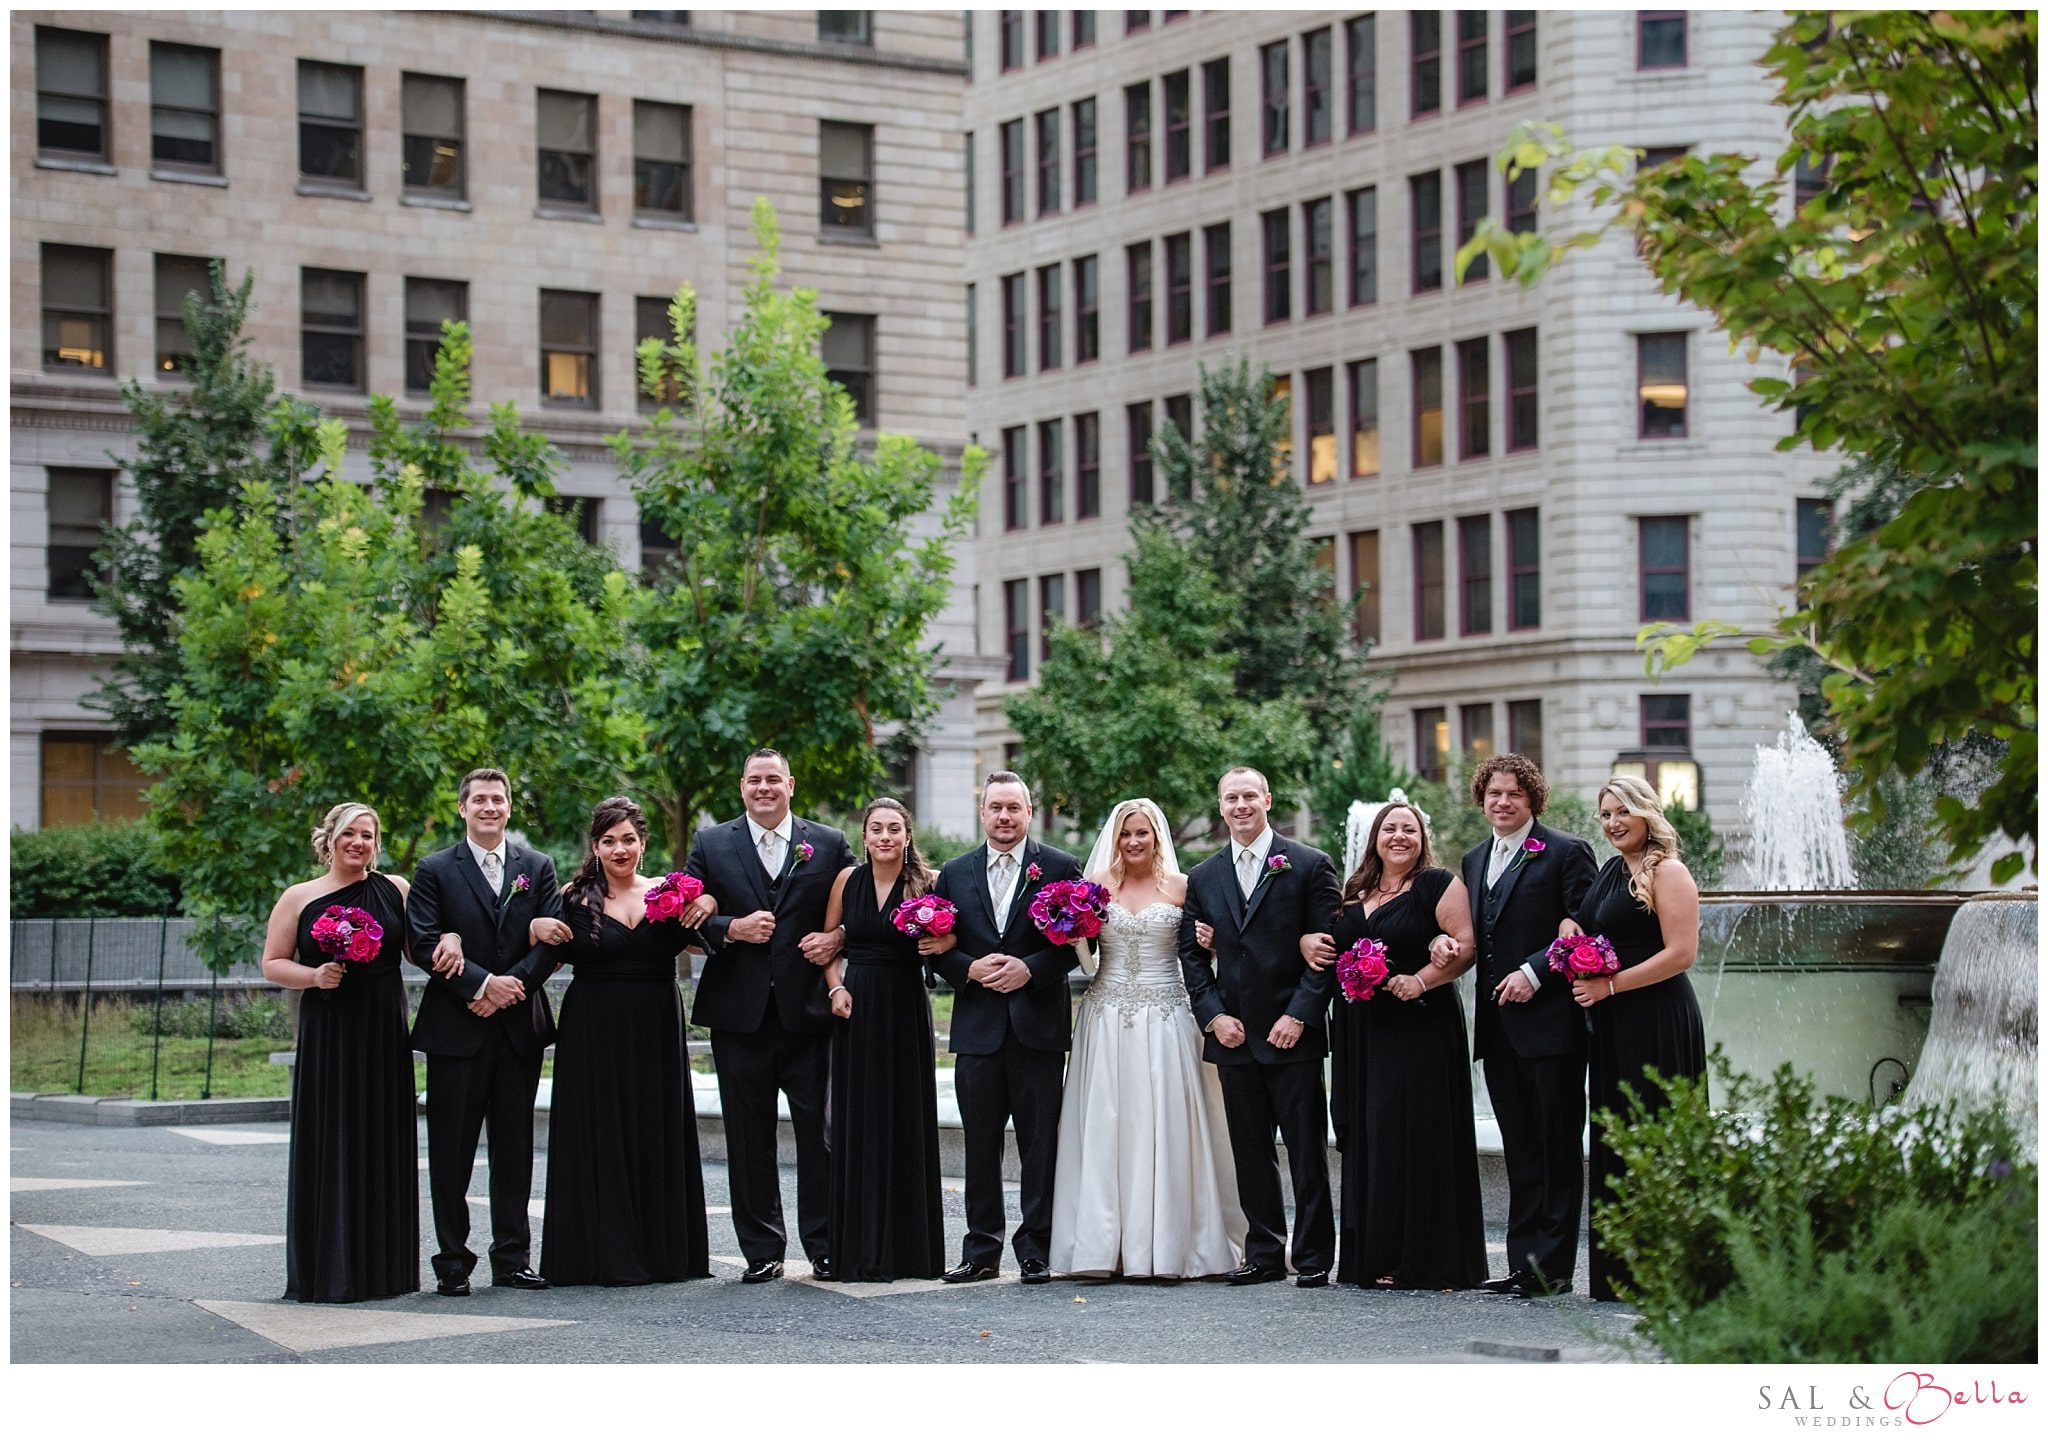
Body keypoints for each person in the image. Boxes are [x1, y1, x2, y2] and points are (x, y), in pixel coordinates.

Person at [1048, 798, 1244, 1280]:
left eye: (1143, 833)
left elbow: (1212, 946)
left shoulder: (1183, 887)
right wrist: (1069, 932)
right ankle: (1102, 1247)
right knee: (1106, 1122)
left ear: (1157, 836)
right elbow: (1080, 954)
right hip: (1106, 1013)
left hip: (1167, 1015)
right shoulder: (1093, 890)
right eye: (1125, 834)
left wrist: (1213, 943)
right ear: (1114, 839)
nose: (1134, 842)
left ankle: (1171, 1245)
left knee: (1167, 1120)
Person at [682, 748, 855, 1283]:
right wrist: (729, 927)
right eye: (754, 780)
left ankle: (825, 1245)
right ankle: (762, 1250)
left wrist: (837, 937)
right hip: (740, 1016)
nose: (764, 788)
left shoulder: (827, 843)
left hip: (809, 1012)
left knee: (820, 1137)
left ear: (791, 784)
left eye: (773, 779)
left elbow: (863, 907)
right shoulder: (711, 844)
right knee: (747, 1135)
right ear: (741, 787)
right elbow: (683, 919)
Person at [526, 797, 711, 1287]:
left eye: (628, 839)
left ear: (644, 843)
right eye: (609, 840)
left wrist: (707, 904)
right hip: (594, 1026)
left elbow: (706, 940)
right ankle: (597, 1253)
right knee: (598, 1128)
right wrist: (529, 928)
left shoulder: (668, 894)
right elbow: (542, 954)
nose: (620, 848)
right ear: (595, 846)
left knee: (656, 1124)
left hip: (655, 1021)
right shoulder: (572, 896)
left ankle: (663, 1252)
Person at [1178, 765, 1341, 1288]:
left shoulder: (1309, 865)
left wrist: (1299, 1015)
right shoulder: (1202, 877)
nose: (1241, 805)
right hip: (1233, 1036)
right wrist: (1213, 1016)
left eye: (1250, 795)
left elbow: (1327, 953)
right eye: (1231, 798)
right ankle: (1265, 1253)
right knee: (1249, 1152)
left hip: (1291, 1033)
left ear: (1268, 800)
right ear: (1221, 806)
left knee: (1306, 1152)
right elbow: (1191, 957)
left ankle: (1314, 1257)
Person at [405, 767, 565, 1297]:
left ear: (510, 807)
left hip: (518, 1028)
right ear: (463, 808)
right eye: (479, 800)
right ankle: (453, 1261)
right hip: (457, 1029)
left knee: (515, 1149)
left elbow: (553, 938)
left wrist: (509, 987)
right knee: (451, 1152)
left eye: (498, 799)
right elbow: (425, 943)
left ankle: (512, 1258)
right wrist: (479, 986)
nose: (489, 807)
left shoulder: (537, 866)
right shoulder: (433, 870)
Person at [928, 771, 1084, 1284]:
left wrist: (1032, 969)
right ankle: (981, 1250)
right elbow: (937, 946)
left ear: (1029, 810)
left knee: (1040, 1145)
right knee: (979, 1143)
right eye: (995, 807)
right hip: (977, 1028)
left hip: (1036, 1026)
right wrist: (966, 969)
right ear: (982, 812)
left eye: (1013, 808)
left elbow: (1081, 944)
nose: (1004, 816)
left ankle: (1035, 1248)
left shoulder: (1060, 867)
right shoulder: (953, 872)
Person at [260, 803, 418, 1303]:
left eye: (368, 835)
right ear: (329, 839)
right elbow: (271, 963)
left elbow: (420, 947)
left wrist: (454, 939)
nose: (358, 842)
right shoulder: (298, 897)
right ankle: (329, 1269)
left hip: (383, 1028)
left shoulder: (396, 889)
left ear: (377, 842)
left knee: (381, 1137)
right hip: (330, 1027)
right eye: (349, 833)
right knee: (334, 1138)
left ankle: (384, 1271)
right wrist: (312, 976)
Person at [1329, 797, 1485, 1290]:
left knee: (1412, 1131)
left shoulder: (1438, 884)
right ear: (1375, 837)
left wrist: (1421, 979)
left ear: (1422, 839)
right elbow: (1330, 945)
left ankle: (1421, 1257)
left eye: (1409, 830)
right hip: (1363, 1029)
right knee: (1367, 1129)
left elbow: (1466, 946)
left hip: (1419, 1025)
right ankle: (1373, 1255)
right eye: (1390, 828)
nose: (1400, 837)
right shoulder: (1356, 889)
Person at [1458, 753, 1599, 1298]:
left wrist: (1535, 972)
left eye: (1514, 793)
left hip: (1553, 1027)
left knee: (1557, 1147)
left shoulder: (1566, 852)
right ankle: (1522, 1266)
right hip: (1498, 1030)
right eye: (1494, 793)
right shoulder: (1473, 860)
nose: (1503, 801)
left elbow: (1583, 928)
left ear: (1532, 798)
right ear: (1482, 799)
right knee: (1519, 1148)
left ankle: (1554, 1272)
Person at [1574, 775, 1707, 1303]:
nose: (1612, 823)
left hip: (1657, 1019)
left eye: (1622, 811)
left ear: (1648, 813)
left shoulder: (1669, 872)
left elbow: (1681, 953)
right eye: (1605, 814)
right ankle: (1620, 1274)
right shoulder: (1610, 872)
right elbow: (1587, 926)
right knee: (1617, 1135)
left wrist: (1611, 985)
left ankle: (1667, 1271)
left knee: (1657, 1133)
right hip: (1613, 1023)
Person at [819, 798, 946, 1282]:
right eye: (876, 829)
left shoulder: (928, 883)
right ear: (865, 836)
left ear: (907, 836)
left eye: (895, 828)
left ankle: (910, 1251)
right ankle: (857, 1248)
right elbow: (829, 942)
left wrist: (947, 942)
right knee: (860, 1120)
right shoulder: (845, 881)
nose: (886, 837)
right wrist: (835, 987)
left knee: (904, 1116)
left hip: (906, 1005)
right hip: (857, 1003)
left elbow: (953, 937)